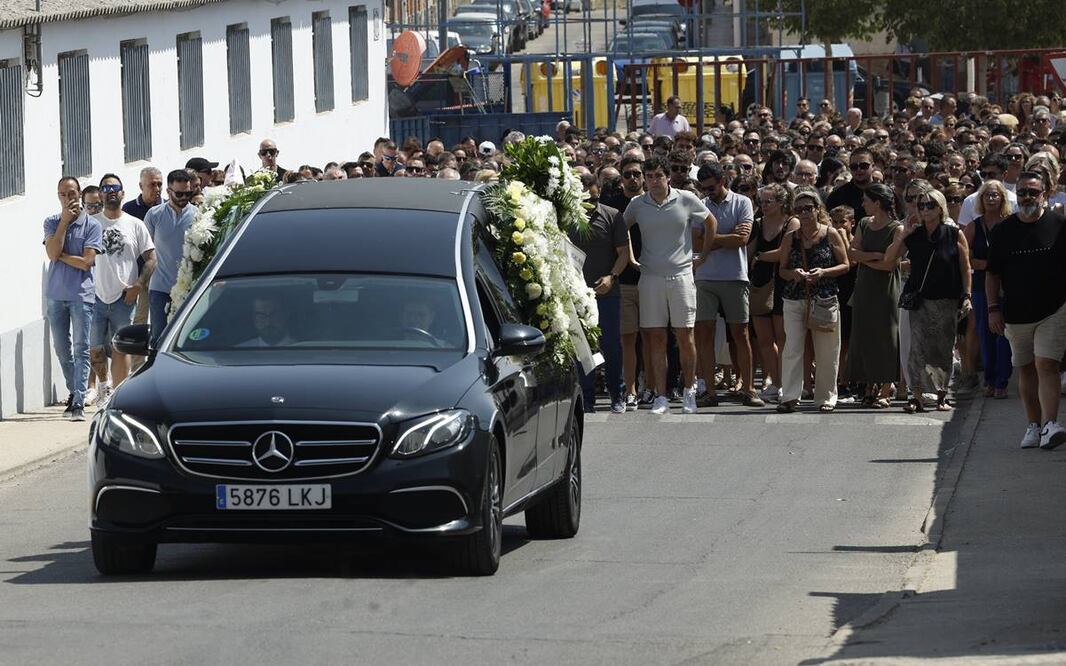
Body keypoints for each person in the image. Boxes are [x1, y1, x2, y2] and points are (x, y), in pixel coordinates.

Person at [623, 155, 715, 414]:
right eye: (648, 176)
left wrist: (704, 255)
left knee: (685, 336)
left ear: (667, 177)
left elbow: (710, 222)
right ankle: (661, 396)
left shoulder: (686, 198)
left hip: (682, 277)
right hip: (650, 278)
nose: (652, 181)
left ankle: (689, 391)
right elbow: (622, 231)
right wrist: (630, 258)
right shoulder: (636, 204)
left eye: (657, 176)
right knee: (655, 338)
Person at [986, 171, 1066, 449]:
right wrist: (993, 308)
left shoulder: (1060, 225)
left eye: (1034, 191)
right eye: (1023, 192)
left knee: (1047, 364)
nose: (1028, 197)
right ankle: (1033, 425)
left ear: (1045, 193)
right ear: (1016, 195)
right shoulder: (1003, 230)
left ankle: (1050, 424)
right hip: (1016, 313)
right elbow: (992, 274)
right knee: (1026, 368)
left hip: (1054, 309)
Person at [884, 189, 972, 413]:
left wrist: (967, 295)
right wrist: (903, 235)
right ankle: (916, 396)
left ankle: (942, 395)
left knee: (942, 349)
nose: (924, 209)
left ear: (940, 208)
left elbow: (965, 267)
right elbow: (889, 259)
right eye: (921, 205)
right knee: (918, 349)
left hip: (947, 298)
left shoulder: (953, 234)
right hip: (919, 299)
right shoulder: (914, 235)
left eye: (929, 205)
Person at [693, 163, 762, 407]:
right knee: (704, 335)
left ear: (722, 180)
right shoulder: (700, 205)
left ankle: (749, 388)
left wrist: (710, 238)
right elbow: (696, 243)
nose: (708, 192)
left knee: (740, 334)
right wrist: (726, 238)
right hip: (705, 278)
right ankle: (709, 392)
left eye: (711, 187)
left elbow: (742, 238)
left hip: (735, 276)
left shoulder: (743, 202)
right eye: (704, 188)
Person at [776, 186, 850, 413]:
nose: (804, 213)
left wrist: (823, 272)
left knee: (827, 350)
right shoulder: (791, 237)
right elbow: (782, 270)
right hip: (795, 298)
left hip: (825, 298)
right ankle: (789, 396)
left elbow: (846, 264)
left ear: (818, 209)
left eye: (808, 208)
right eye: (799, 209)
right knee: (792, 348)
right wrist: (795, 274)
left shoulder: (831, 233)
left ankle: (826, 397)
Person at [89, 174, 156, 400]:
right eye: (106, 188)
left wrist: (138, 285)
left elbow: (151, 258)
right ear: (100, 194)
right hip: (95, 296)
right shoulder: (91, 224)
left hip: (123, 297)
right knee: (96, 348)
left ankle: (117, 395)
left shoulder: (135, 225)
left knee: (121, 347)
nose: (111, 191)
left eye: (115, 187)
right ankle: (103, 388)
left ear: (123, 192)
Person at [43, 177, 103, 421]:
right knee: (61, 349)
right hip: (56, 296)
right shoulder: (51, 222)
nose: (67, 198)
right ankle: (74, 391)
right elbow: (51, 252)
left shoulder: (92, 226)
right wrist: (65, 223)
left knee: (81, 349)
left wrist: (62, 255)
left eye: (71, 193)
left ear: (79, 193)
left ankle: (78, 401)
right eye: (62, 194)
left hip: (81, 296)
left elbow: (87, 262)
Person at [570, 174, 630, 414]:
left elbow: (624, 253)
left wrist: (611, 277)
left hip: (607, 293)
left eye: (590, 188)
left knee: (612, 347)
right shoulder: (566, 217)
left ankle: (618, 393)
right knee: (582, 348)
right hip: (577, 295)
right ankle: (587, 398)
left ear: (599, 190)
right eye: (582, 190)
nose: (587, 193)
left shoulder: (612, 215)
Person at [845, 184, 903, 407]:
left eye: (866, 200)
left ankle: (886, 388)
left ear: (877, 202)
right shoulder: (863, 223)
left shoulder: (896, 229)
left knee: (888, 338)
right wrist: (875, 255)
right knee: (865, 336)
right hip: (864, 288)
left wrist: (866, 258)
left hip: (886, 290)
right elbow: (852, 253)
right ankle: (869, 386)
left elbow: (889, 266)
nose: (862, 204)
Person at [603, 155, 648, 410]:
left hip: (653, 278)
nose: (633, 178)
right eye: (628, 174)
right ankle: (630, 390)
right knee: (628, 339)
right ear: (621, 178)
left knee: (654, 338)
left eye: (637, 173)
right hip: (625, 282)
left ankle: (652, 388)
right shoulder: (612, 206)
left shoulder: (652, 202)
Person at [964, 180, 1013, 399]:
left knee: (1005, 334)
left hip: (1008, 287)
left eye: (995, 195)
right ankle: (990, 380)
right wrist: (988, 265)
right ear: (981, 200)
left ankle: (1002, 381)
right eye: (987, 195)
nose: (991, 199)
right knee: (985, 332)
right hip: (981, 286)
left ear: (1002, 198)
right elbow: (965, 256)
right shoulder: (975, 225)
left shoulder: (1011, 223)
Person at [750, 184, 795, 401]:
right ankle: (775, 382)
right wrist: (756, 257)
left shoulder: (791, 222)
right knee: (764, 340)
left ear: (781, 202)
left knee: (783, 337)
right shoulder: (756, 224)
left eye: (769, 201)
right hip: (760, 285)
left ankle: (787, 384)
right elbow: (748, 253)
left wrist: (759, 256)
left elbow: (784, 253)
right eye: (762, 201)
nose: (764, 206)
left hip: (783, 284)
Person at [144, 170, 196, 346]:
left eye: (188, 193)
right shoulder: (154, 215)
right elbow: (146, 251)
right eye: (179, 193)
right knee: (159, 340)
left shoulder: (199, 215)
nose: (184, 197)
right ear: (168, 192)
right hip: (160, 288)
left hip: (190, 288)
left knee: (188, 340)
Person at [826, 148, 875, 221]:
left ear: (873, 166)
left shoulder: (884, 193)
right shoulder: (837, 196)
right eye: (854, 167)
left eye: (863, 166)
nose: (859, 169)